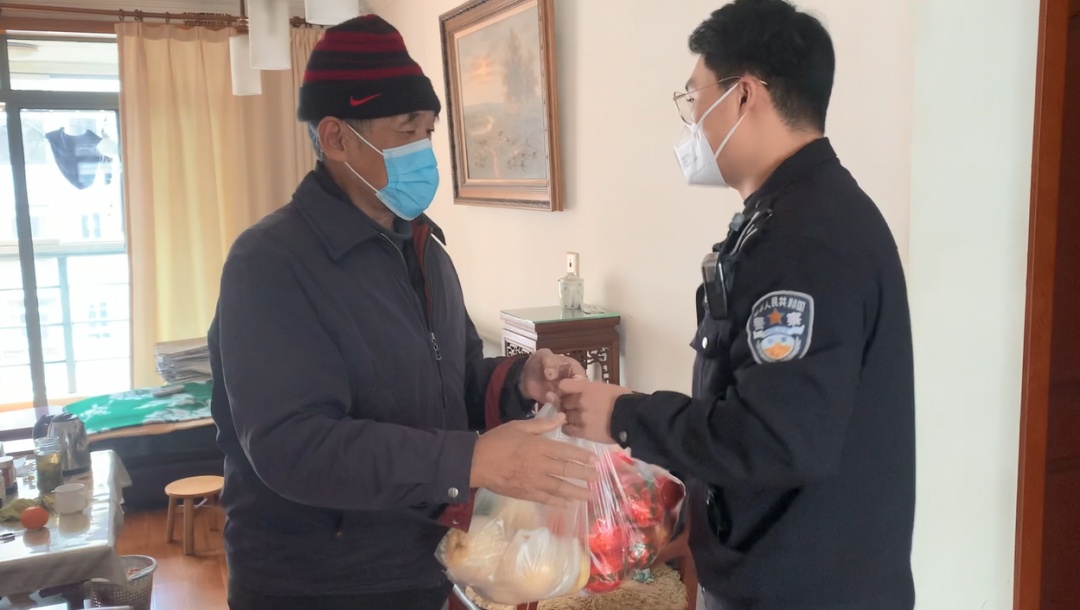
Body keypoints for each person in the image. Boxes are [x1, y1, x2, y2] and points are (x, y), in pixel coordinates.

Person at [208, 16, 595, 610]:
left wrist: (520, 379)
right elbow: (292, 446)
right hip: (315, 583)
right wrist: (470, 459)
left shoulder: (425, 251)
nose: (424, 150)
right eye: (406, 130)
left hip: (423, 562)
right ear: (336, 139)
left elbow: (452, 385)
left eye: (429, 131)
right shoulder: (270, 263)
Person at [558, 1, 915, 609]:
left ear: (744, 95)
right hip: (776, 565)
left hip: (805, 589)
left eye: (693, 97)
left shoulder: (808, 238)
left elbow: (775, 436)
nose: (691, 121)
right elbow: (756, 396)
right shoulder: (786, 216)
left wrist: (626, 415)